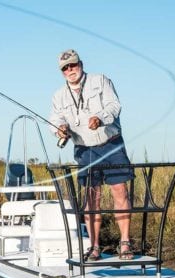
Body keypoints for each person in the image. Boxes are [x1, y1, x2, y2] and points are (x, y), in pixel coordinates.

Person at [48, 49, 135, 261]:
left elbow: (115, 106)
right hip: (84, 150)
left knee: (120, 191)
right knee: (91, 197)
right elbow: (54, 120)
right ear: (62, 72)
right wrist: (59, 129)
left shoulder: (101, 80)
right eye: (65, 68)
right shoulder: (58, 95)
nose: (70, 70)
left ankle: (125, 243)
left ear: (81, 64)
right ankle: (95, 247)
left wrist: (100, 117)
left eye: (73, 65)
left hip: (111, 144)